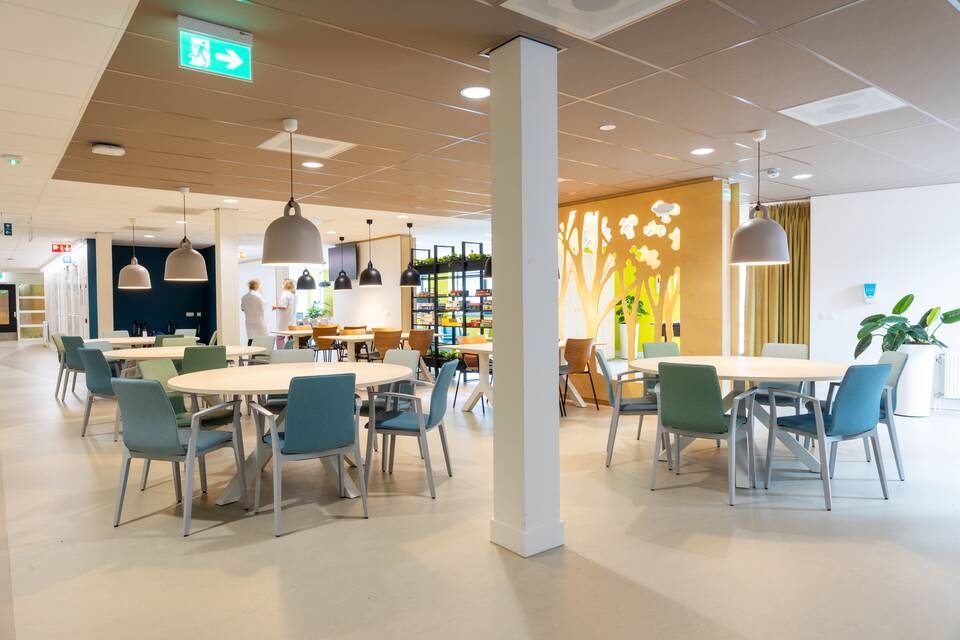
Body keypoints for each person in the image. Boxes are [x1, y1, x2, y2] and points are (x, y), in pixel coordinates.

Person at [240, 279, 268, 346]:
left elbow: (242, 308)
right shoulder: (259, 296)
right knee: (261, 340)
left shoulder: (244, 297)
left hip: (249, 322)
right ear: (257, 286)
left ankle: (250, 355)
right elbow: (264, 307)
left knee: (251, 339)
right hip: (259, 322)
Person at [273, 278, 297, 349]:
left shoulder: (285, 294)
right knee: (289, 338)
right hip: (290, 320)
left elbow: (283, 306)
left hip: (284, 320)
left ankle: (281, 355)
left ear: (285, 285)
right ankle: (288, 354)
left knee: (280, 338)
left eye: (283, 283)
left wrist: (275, 307)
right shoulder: (292, 295)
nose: (282, 285)